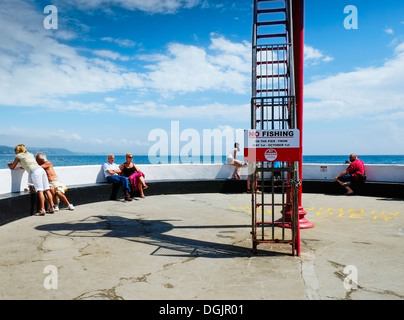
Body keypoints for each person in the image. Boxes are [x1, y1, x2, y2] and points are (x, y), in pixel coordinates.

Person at [8, 144, 55, 215]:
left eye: (15, 150)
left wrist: (10, 165)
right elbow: (26, 165)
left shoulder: (18, 156)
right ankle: (52, 208)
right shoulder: (30, 154)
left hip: (35, 172)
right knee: (47, 189)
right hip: (41, 170)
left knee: (40, 191)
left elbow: (12, 167)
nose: (14, 151)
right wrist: (19, 166)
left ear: (18, 150)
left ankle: (42, 210)